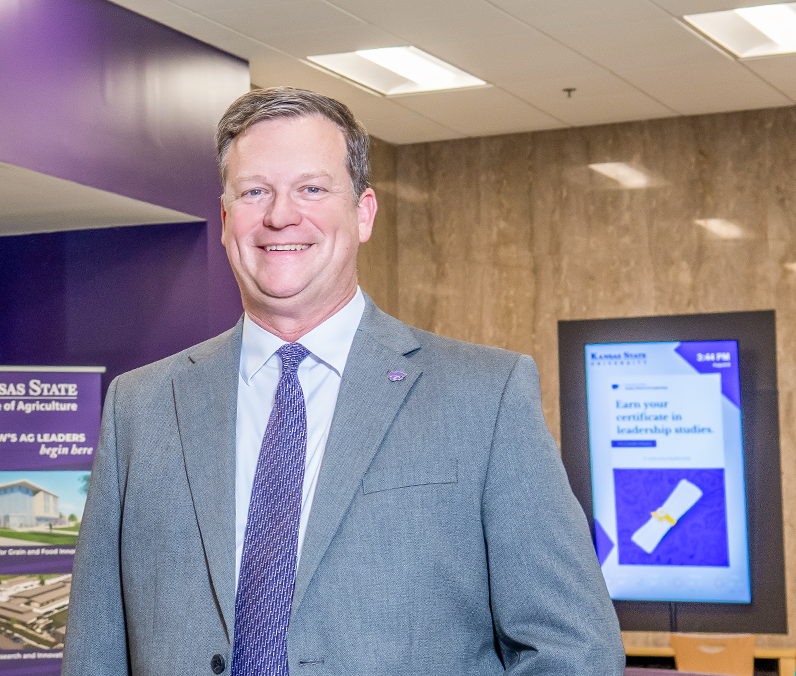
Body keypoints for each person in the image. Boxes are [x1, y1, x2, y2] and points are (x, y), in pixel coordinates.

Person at [61, 87, 623, 675]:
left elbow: (574, 648)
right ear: (226, 221)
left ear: (363, 213)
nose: (281, 215)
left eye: (312, 188)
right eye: (255, 192)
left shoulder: (484, 396)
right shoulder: (141, 407)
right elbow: (96, 651)